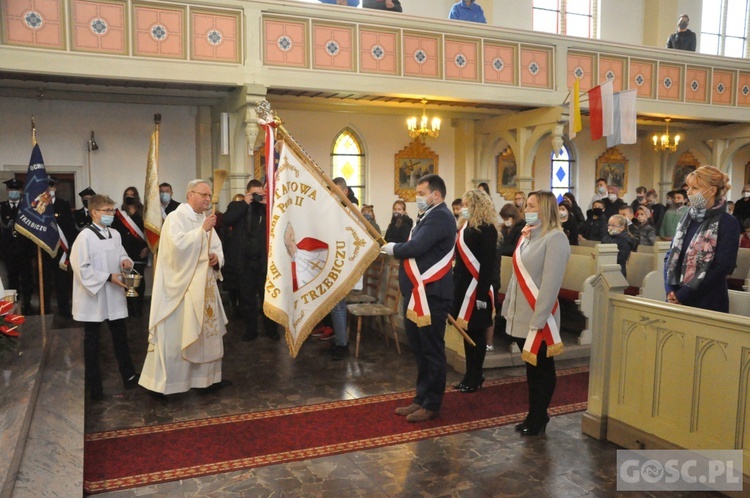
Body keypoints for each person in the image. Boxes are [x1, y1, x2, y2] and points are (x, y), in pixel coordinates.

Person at [139, 179, 229, 395]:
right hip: (183, 289)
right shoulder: (175, 218)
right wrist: (201, 232)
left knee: (206, 335)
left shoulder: (204, 218)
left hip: (205, 287)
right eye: (204, 195)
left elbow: (216, 246)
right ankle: (170, 385)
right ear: (190, 194)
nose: (208, 199)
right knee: (178, 336)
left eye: (209, 196)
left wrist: (216, 257)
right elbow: (175, 249)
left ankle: (207, 380)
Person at [382, 174, 455, 423]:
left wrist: (393, 248)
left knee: (432, 350)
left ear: (436, 194)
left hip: (432, 294)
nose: (417, 198)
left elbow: (417, 247)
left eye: (421, 193)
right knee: (420, 348)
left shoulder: (441, 216)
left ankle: (432, 403)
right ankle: (421, 397)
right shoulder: (427, 216)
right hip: (417, 294)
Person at [501, 191, 570, 436]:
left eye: (531, 205)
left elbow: (551, 284)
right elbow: (515, 279)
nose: (525, 209)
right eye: (526, 205)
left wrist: (538, 321)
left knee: (542, 368)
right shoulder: (526, 235)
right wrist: (508, 306)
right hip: (521, 313)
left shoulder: (556, 239)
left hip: (540, 317)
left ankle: (539, 416)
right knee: (531, 369)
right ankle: (534, 413)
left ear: (545, 209)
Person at [69, 194, 139, 401]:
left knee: (120, 337)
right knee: (92, 342)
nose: (111, 214)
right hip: (94, 296)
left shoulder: (115, 234)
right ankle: (94, 385)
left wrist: (126, 261)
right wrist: (108, 277)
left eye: (112, 210)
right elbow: (81, 268)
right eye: (107, 211)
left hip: (114, 294)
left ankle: (129, 375)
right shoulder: (85, 237)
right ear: (95, 213)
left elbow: (121, 254)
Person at [664, 166, 740, 312]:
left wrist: (684, 294)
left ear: (711, 191)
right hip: (676, 297)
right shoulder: (687, 218)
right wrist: (670, 289)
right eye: (689, 188)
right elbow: (670, 256)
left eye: (695, 188)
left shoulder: (728, 222)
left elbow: (722, 267)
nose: (689, 192)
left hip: (707, 300)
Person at [452, 189, 497, 393]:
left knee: (477, 334)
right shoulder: (464, 226)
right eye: (463, 204)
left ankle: (476, 374)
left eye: (467, 204)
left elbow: (488, 264)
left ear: (477, 205)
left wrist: (481, 295)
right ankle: (469, 374)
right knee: (466, 332)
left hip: (479, 288)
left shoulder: (487, 229)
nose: (463, 208)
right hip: (463, 288)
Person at [222, 179, 279, 341]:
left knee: (267, 298)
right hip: (245, 263)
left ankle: (271, 329)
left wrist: (267, 205)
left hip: (264, 262)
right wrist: (245, 204)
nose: (258, 197)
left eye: (260, 194)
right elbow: (227, 220)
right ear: (248, 193)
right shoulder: (237, 206)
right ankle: (251, 330)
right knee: (247, 299)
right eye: (255, 194)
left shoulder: (267, 209)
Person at [42, 177, 77, 317]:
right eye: (46, 186)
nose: (49, 189)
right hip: (44, 249)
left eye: (51, 186)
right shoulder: (39, 205)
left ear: (55, 188)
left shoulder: (63, 204)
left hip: (61, 250)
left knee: (62, 281)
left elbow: (69, 227)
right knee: (45, 282)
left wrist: (71, 248)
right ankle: (44, 309)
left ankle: (64, 309)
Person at [111, 187, 148, 317]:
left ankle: (138, 308)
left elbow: (148, 232)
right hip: (124, 251)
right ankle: (128, 308)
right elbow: (114, 232)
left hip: (140, 250)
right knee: (126, 280)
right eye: (127, 194)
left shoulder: (144, 211)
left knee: (139, 279)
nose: (130, 197)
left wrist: (147, 247)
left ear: (136, 196)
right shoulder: (119, 214)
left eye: (132, 195)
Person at [0, 178, 35, 314]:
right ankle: (15, 303)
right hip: (8, 250)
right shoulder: (2, 207)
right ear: (8, 191)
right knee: (12, 277)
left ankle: (27, 302)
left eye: (16, 189)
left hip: (25, 249)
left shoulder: (27, 207)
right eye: (11, 189)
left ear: (21, 191)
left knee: (27, 277)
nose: (14, 192)